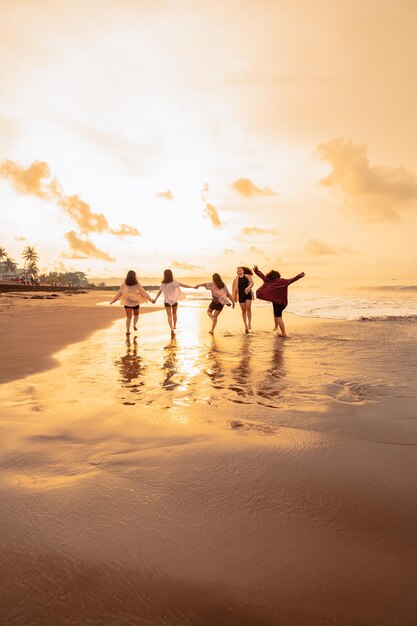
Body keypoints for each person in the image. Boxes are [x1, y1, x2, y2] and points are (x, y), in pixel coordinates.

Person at [253, 265, 305, 336]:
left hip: (277, 303)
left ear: (270, 276)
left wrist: (256, 271)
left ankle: (284, 333)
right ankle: (276, 326)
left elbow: (261, 276)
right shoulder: (283, 281)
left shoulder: (268, 280)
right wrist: (299, 276)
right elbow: (292, 280)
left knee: (279, 317)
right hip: (282, 303)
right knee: (275, 314)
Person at [110, 270, 153, 335]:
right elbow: (143, 292)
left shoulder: (124, 283)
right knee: (136, 315)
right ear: (134, 276)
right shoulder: (137, 284)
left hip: (127, 302)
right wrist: (150, 299)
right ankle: (134, 325)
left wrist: (113, 300)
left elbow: (119, 293)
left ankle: (127, 331)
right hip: (135, 302)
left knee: (128, 317)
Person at [152, 269, 193, 334]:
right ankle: (175, 325)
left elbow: (159, 292)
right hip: (174, 301)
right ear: (171, 274)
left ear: (164, 275)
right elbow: (183, 285)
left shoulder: (163, 283)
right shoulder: (174, 281)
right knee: (174, 313)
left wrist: (155, 299)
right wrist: (192, 287)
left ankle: (171, 329)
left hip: (167, 301)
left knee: (169, 315)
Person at [232, 266, 254, 333]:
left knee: (248, 308)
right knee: (243, 310)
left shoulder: (247, 276)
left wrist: (248, 287)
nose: (239, 270)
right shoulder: (237, 278)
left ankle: (249, 323)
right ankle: (245, 326)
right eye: (238, 269)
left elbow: (252, 283)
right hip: (241, 295)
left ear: (243, 271)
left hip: (248, 294)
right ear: (237, 272)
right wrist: (234, 298)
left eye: (240, 269)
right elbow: (235, 288)